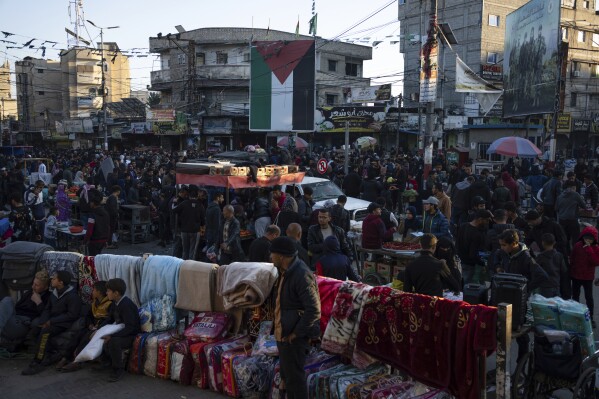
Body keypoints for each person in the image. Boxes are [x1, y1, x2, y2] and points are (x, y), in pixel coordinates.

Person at [271, 236, 321, 399]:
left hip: (294, 338)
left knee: (295, 381)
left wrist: (296, 333)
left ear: (281, 256)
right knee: (288, 379)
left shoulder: (301, 274)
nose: (270, 257)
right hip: (285, 335)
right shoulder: (285, 271)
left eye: (272, 254)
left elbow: (314, 309)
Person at [495, 229, 549, 360]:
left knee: (520, 334)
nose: (501, 248)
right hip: (506, 297)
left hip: (520, 303)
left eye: (504, 245)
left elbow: (543, 276)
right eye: (500, 245)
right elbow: (496, 259)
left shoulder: (526, 258)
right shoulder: (505, 253)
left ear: (514, 243)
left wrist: (524, 289)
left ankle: (522, 361)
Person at [22, 271, 82, 375]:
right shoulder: (54, 293)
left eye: (54, 279)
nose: (52, 280)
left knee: (45, 332)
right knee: (36, 328)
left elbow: (71, 315)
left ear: (61, 282)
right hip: (52, 321)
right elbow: (47, 309)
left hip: (63, 323)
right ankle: (48, 355)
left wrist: (51, 321)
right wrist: (43, 321)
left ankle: (37, 362)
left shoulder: (72, 296)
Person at [58, 281, 113, 372]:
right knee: (78, 335)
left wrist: (97, 328)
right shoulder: (95, 303)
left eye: (94, 290)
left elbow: (109, 320)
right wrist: (90, 324)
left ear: (99, 292)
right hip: (92, 327)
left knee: (85, 338)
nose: (92, 291)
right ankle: (66, 357)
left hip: (101, 328)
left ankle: (77, 362)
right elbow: (88, 316)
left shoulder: (109, 304)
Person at [96, 278, 141, 382]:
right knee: (100, 336)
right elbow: (110, 318)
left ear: (116, 293)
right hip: (121, 331)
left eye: (108, 291)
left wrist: (112, 336)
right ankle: (106, 362)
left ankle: (118, 369)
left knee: (113, 342)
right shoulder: (114, 303)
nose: (106, 293)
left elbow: (130, 327)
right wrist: (98, 329)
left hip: (131, 335)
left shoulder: (126, 305)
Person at [0, 270, 50, 349]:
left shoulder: (48, 297)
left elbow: (46, 317)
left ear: (45, 287)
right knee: (7, 300)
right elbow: (17, 307)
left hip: (23, 323)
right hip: (14, 317)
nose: (33, 286)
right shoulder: (30, 292)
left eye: (37, 285)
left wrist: (39, 302)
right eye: (33, 283)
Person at [570, 226, 599, 328]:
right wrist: (571, 271)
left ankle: (590, 317)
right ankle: (575, 315)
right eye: (586, 238)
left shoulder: (595, 248)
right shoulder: (577, 245)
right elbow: (572, 258)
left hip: (588, 277)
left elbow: (595, 261)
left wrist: (589, 249)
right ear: (582, 237)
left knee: (589, 298)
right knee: (575, 296)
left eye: (590, 239)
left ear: (594, 240)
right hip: (576, 275)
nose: (588, 241)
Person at [456, 209, 493, 285]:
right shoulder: (477, 234)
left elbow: (457, 243)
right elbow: (473, 254)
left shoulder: (463, 226)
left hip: (460, 261)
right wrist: (482, 263)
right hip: (471, 265)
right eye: (486, 220)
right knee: (471, 287)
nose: (487, 223)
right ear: (480, 219)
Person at [173, 185, 206, 260]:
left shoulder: (184, 203)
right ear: (197, 195)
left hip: (184, 230)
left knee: (185, 251)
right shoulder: (200, 205)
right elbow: (203, 219)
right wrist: (203, 226)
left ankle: (184, 266)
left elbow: (174, 210)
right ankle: (190, 267)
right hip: (195, 231)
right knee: (192, 251)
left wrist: (175, 202)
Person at [535, 233, 570, 299]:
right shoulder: (559, 255)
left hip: (545, 285)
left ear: (543, 243)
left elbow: (536, 270)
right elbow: (564, 270)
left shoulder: (540, 257)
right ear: (554, 242)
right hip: (556, 284)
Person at [84, 189, 111, 256]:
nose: (90, 204)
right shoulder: (106, 213)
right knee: (98, 257)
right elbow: (108, 226)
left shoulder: (92, 215)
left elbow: (90, 230)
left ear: (93, 203)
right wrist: (107, 239)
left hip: (94, 240)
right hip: (103, 240)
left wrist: (85, 241)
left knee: (92, 259)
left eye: (90, 202)